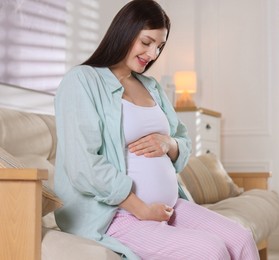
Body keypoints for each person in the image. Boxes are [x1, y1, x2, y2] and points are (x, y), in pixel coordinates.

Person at [54, 0, 260, 259]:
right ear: (125, 32)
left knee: (241, 239)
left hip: (169, 206)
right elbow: (83, 165)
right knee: (210, 250)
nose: (153, 55)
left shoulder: (151, 86)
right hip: (116, 214)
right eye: (146, 42)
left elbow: (182, 139)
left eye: (159, 47)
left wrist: (169, 144)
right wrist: (139, 208)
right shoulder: (83, 81)